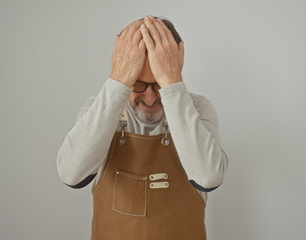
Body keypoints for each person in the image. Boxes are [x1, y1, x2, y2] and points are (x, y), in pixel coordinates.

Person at [56, 15, 228, 240]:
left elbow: (209, 177)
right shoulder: (100, 109)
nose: (149, 98)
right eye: (137, 83)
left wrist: (172, 87)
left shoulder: (197, 108)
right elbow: (71, 173)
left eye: (158, 83)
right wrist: (118, 81)